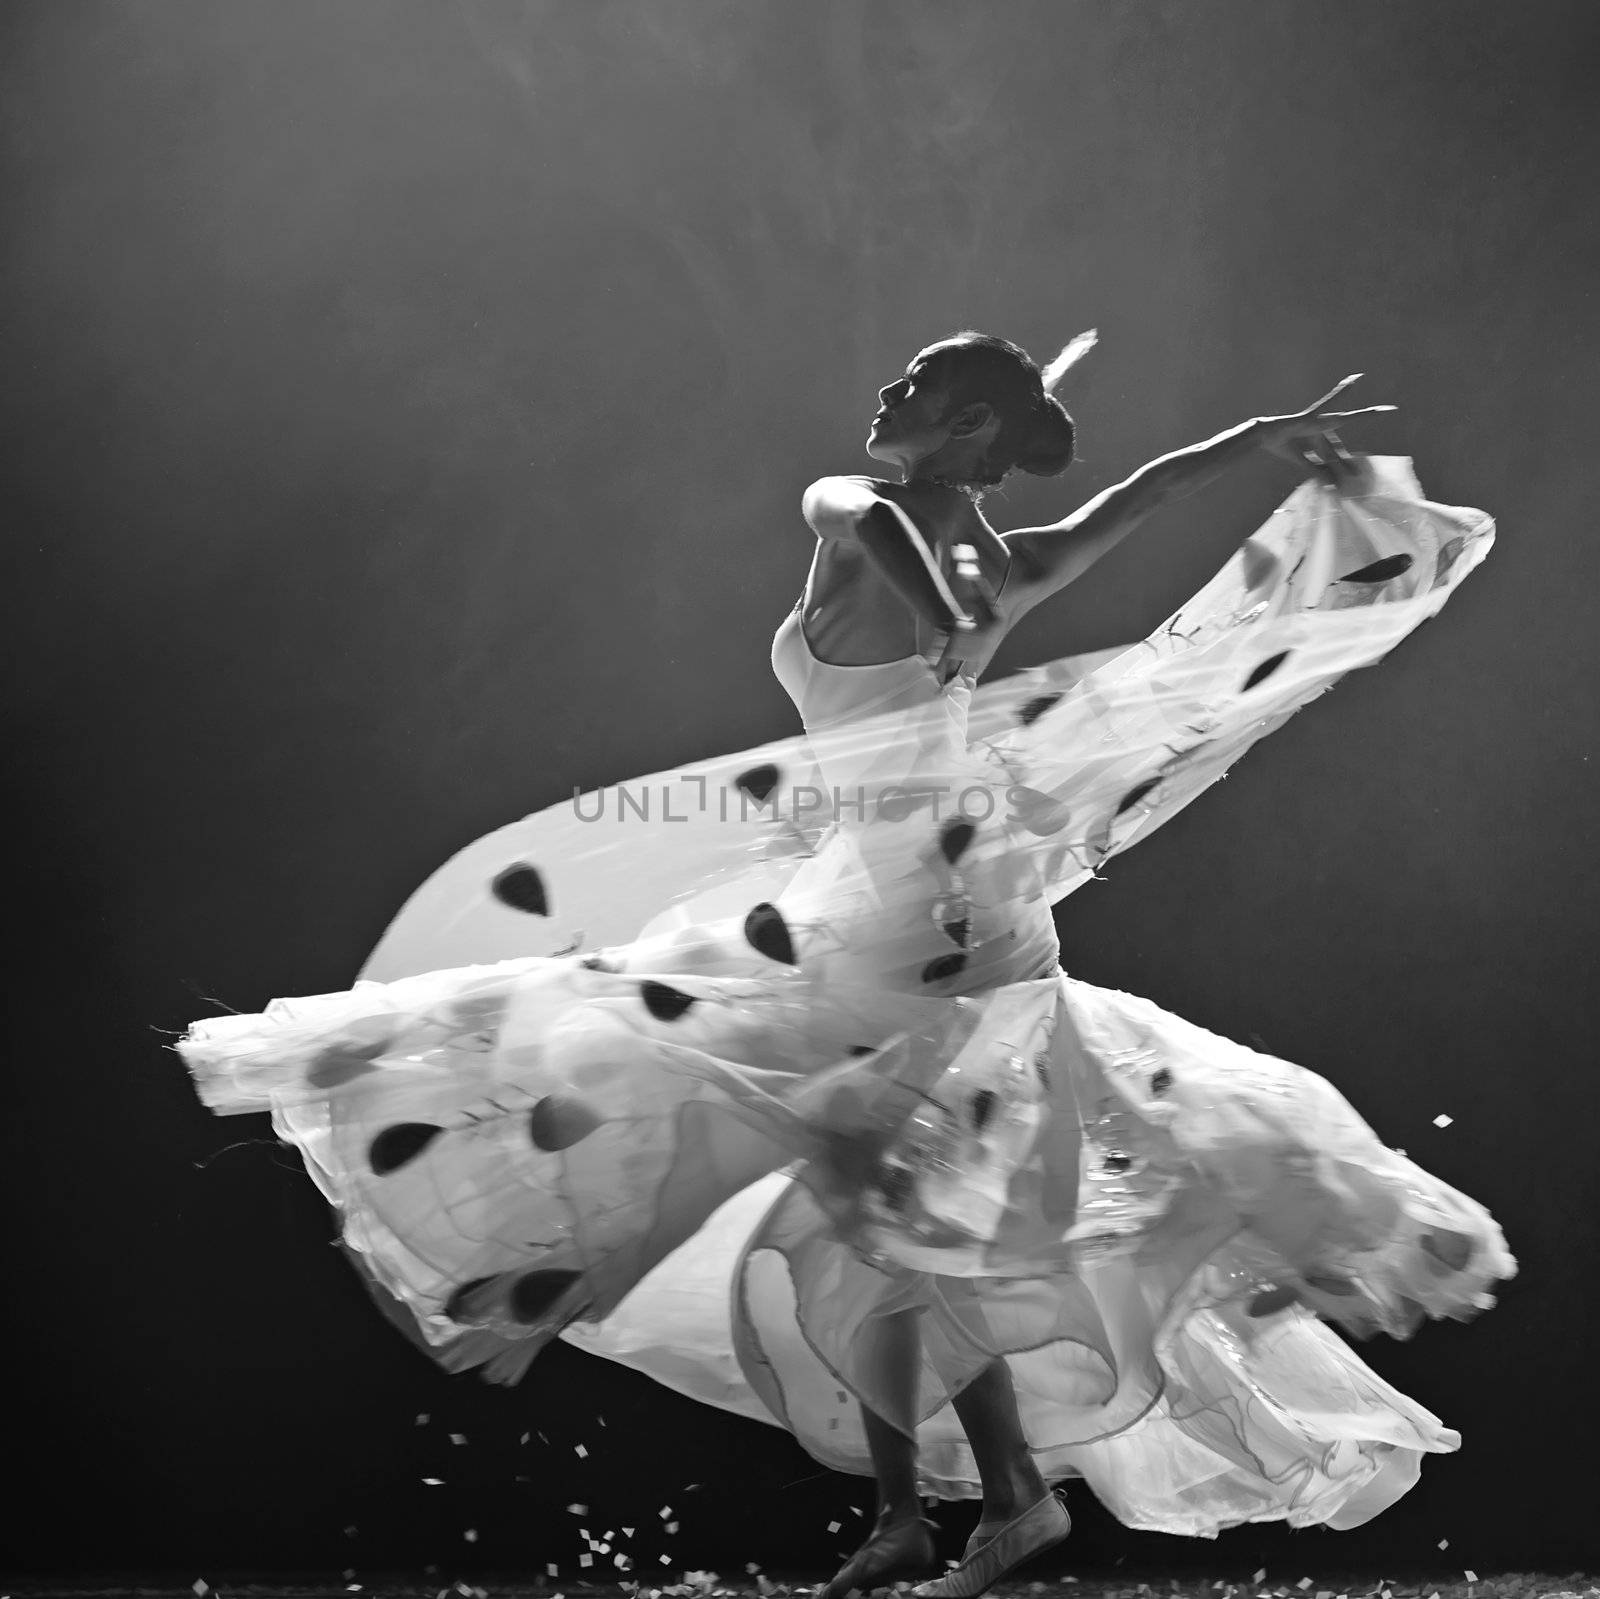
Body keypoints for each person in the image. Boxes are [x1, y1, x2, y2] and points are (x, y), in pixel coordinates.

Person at [178, 330, 1511, 1599]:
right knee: (863, 1209)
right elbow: (878, 510)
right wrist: (1209, 463)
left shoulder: (961, 554)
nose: (887, 394)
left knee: (884, 1197)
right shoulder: (931, 547)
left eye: (918, 385)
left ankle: (992, 1501)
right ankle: (922, 1508)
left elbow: (1062, 502)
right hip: (898, 906)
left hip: (926, 930)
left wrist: (1231, 454)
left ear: (970, 423)